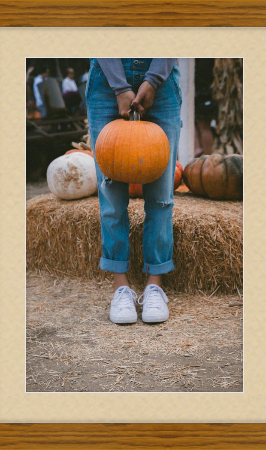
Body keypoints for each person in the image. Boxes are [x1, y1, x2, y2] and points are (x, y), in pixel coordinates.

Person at [86, 58, 182, 325]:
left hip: (162, 82)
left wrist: (152, 80)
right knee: (112, 200)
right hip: (107, 79)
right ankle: (120, 288)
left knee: (162, 197)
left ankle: (155, 285)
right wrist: (119, 87)